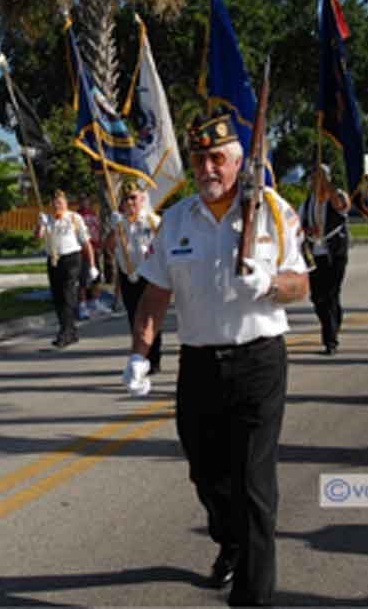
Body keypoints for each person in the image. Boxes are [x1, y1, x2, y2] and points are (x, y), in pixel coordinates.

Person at [122, 110, 309, 606]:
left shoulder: (272, 212)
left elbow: (301, 284)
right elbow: (155, 296)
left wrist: (270, 284)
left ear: (239, 160)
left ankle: (252, 595)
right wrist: (140, 354)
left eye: (218, 159)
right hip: (199, 366)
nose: (208, 168)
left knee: (254, 485)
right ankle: (230, 541)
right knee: (207, 474)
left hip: (258, 363)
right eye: (200, 158)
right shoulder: (177, 219)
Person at [106, 178, 162, 374]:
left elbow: (164, 246)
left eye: (133, 198)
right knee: (134, 318)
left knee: (151, 317)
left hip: (149, 275)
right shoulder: (119, 223)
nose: (129, 203)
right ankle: (141, 358)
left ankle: (154, 358)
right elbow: (109, 247)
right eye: (126, 199)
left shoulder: (152, 221)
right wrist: (114, 229)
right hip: (128, 274)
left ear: (142, 199)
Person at [35, 189, 99, 348]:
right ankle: (71, 331)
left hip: (72, 259)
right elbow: (38, 236)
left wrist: (92, 265)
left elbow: (86, 242)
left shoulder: (74, 218)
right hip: (54, 260)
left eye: (60, 201)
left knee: (68, 294)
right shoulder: (48, 219)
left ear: (66, 202)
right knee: (57, 297)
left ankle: (65, 332)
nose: (57, 204)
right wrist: (40, 224)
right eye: (54, 202)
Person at [298, 163, 350, 355]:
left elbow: (342, 206)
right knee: (318, 298)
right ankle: (334, 323)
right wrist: (308, 230)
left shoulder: (337, 196)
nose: (315, 181)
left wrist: (328, 187)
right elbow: (298, 225)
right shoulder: (308, 202)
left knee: (331, 294)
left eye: (320, 177)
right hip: (315, 256)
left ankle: (330, 340)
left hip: (335, 254)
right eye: (314, 177)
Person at [76, 194, 111, 319]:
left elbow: (98, 229)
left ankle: (95, 302)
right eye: (81, 200)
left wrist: (100, 244)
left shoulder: (93, 214)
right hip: (82, 251)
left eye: (86, 200)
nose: (84, 202)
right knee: (83, 279)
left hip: (95, 249)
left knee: (96, 277)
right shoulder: (77, 216)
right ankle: (82, 305)